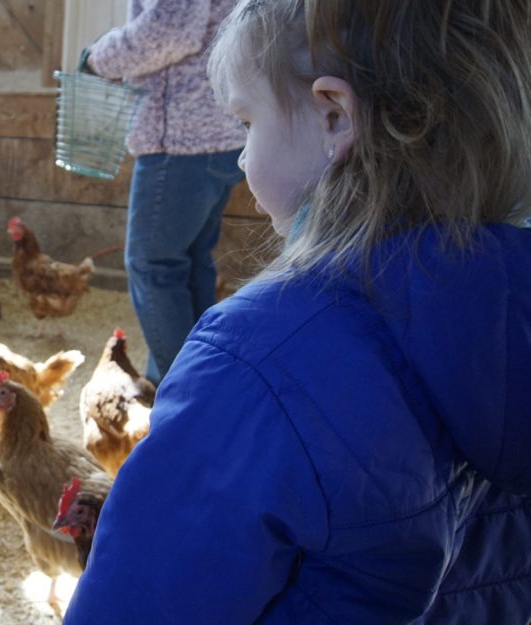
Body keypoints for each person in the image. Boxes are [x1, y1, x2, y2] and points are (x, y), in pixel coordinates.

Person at [64, 1, 531, 623]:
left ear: (333, 116)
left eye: (248, 123)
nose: (237, 157)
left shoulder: (253, 362)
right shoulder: (509, 317)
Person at [84, 0, 245, 385]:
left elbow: (169, 30)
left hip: (181, 134)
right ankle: (198, 379)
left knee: (152, 265)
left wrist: (98, 58)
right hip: (218, 128)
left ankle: (182, 392)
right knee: (189, 262)